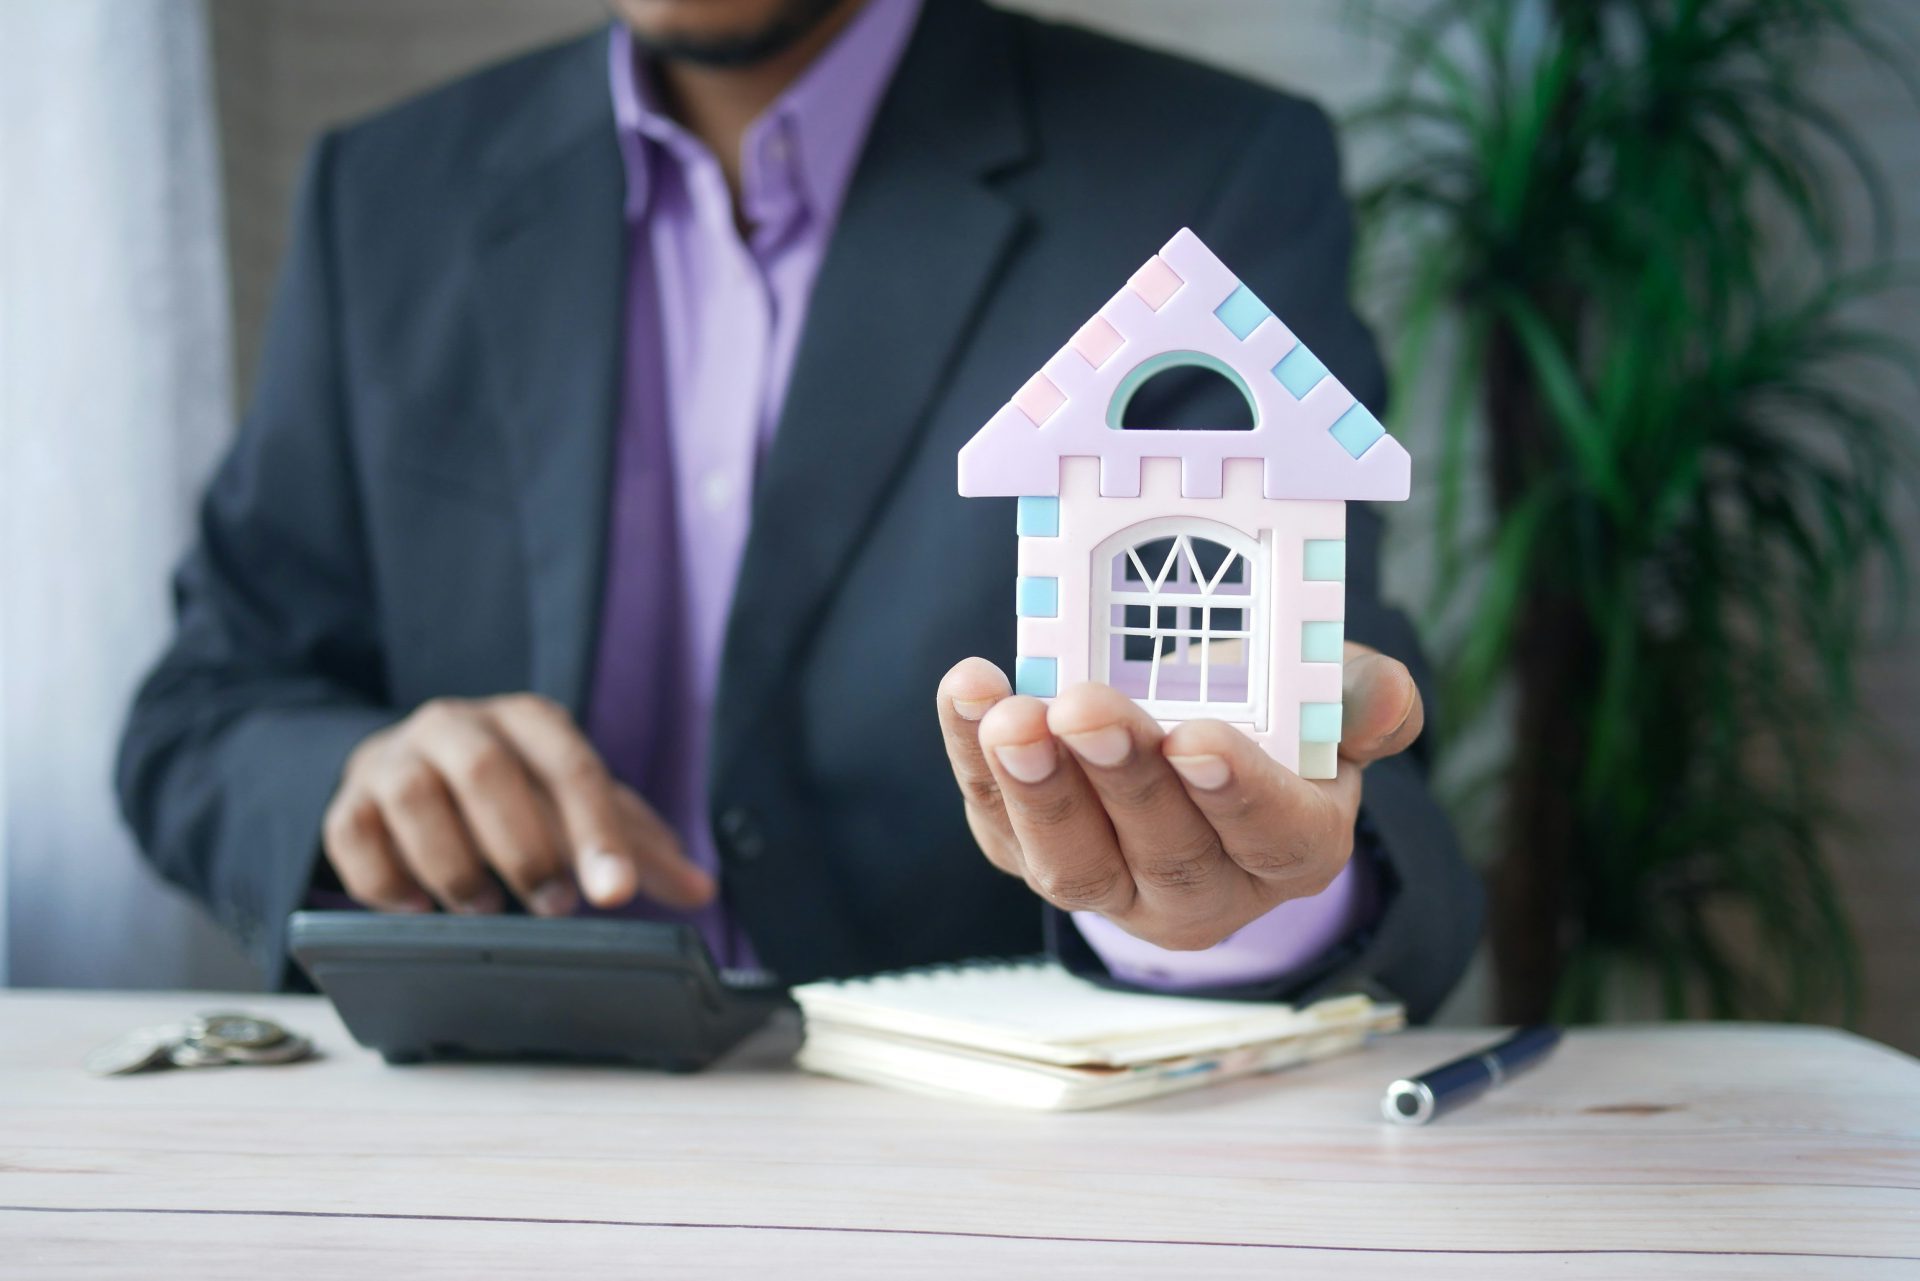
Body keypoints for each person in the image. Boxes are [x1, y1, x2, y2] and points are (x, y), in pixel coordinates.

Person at [117, 0, 1482, 1019]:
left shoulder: (1208, 171)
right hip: (478, 1130)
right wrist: (352, 780)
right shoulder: (387, 195)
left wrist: (1221, 905)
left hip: (981, 1172)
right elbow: (203, 709)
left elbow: (1320, 734)